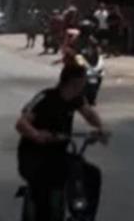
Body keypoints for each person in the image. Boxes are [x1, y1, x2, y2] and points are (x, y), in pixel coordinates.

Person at [15, 63, 108, 221]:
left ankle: (84, 215)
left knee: (90, 174)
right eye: (83, 81)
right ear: (74, 82)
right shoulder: (46, 97)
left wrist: (100, 129)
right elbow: (21, 124)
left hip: (58, 154)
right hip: (34, 156)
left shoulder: (76, 100)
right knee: (46, 187)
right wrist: (38, 135)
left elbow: (89, 114)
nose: (85, 85)